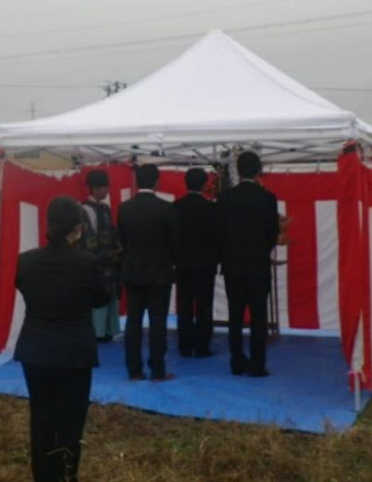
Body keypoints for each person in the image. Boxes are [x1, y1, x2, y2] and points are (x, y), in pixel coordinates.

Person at [14, 196, 109, 482]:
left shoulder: (26, 261)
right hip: (72, 352)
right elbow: (101, 298)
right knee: (70, 420)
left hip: (36, 350)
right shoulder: (86, 264)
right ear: (78, 229)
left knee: (42, 416)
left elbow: (23, 287)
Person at [217, 150, 280, 377]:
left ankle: (236, 361)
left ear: (238, 169)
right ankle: (257, 363)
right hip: (257, 265)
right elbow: (273, 233)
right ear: (258, 170)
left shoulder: (224, 198)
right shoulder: (267, 198)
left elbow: (219, 233)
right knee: (258, 315)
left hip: (232, 266)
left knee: (235, 315)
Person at [117, 163, 177, 381]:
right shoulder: (166, 208)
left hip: (133, 272)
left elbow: (121, 240)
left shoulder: (124, 208)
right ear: (156, 182)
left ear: (136, 181)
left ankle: (133, 370)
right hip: (160, 273)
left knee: (133, 322)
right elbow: (173, 243)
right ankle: (157, 369)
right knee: (157, 323)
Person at [172, 167, 219, 358]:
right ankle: (202, 346)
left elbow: (172, 237)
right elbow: (217, 237)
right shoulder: (210, 208)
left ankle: (185, 345)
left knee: (184, 305)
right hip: (205, 264)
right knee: (204, 305)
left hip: (182, 263)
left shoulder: (176, 207)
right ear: (204, 184)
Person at [78, 169, 121, 342]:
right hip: (94, 262)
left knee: (110, 295)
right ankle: (97, 333)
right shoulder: (83, 210)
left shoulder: (105, 208)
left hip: (109, 261)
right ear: (95, 188)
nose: (108, 191)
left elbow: (111, 232)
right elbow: (87, 240)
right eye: (105, 188)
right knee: (98, 297)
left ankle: (109, 330)